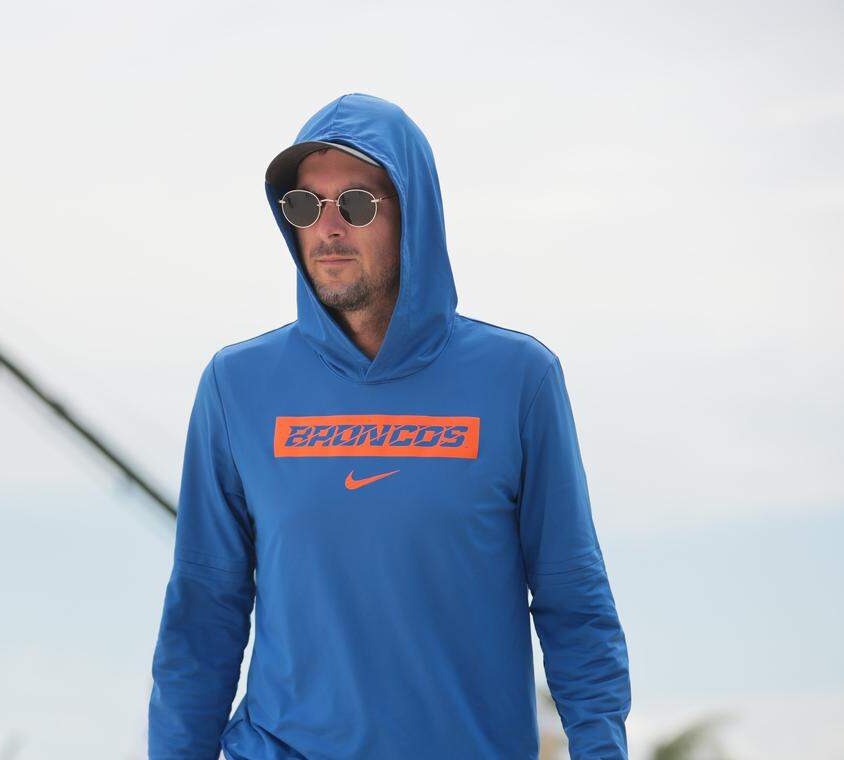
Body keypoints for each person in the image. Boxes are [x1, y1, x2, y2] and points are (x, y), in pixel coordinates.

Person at [148, 92, 631, 759]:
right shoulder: (237, 385)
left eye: (355, 203)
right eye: (305, 206)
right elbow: (203, 611)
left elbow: (573, 602)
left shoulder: (518, 380)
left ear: (414, 214)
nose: (328, 228)